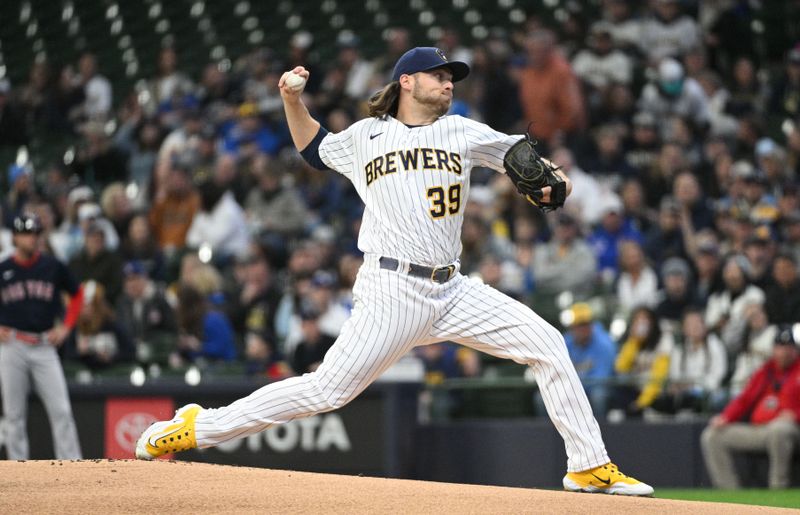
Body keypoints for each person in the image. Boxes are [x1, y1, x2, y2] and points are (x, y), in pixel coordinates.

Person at [135, 47, 653, 496]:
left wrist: (550, 175)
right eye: (439, 75)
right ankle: (199, 427)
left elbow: (518, 153)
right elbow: (314, 148)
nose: (449, 82)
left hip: (452, 289)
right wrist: (293, 101)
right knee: (325, 393)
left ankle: (588, 468)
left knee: (548, 344)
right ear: (407, 81)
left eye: (453, 77)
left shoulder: (461, 129)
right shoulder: (366, 137)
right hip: (391, 290)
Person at [0, 213, 83, 459]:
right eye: (26, 233)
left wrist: (66, 327)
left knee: (62, 410)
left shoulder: (52, 266)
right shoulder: (4, 269)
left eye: (35, 233)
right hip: (12, 345)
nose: (31, 238)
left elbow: (77, 294)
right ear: (14, 237)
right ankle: (19, 470)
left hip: (45, 344)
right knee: (14, 415)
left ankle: (75, 469)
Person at [701, 325, 800, 489]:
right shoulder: (767, 370)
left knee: (779, 429)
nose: (783, 352)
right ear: (774, 349)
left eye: (788, 348)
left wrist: (796, 414)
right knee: (712, 435)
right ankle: (730, 493)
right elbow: (745, 399)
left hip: (792, 429)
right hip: (761, 429)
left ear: (795, 350)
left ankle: (778, 487)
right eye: (780, 347)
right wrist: (726, 417)